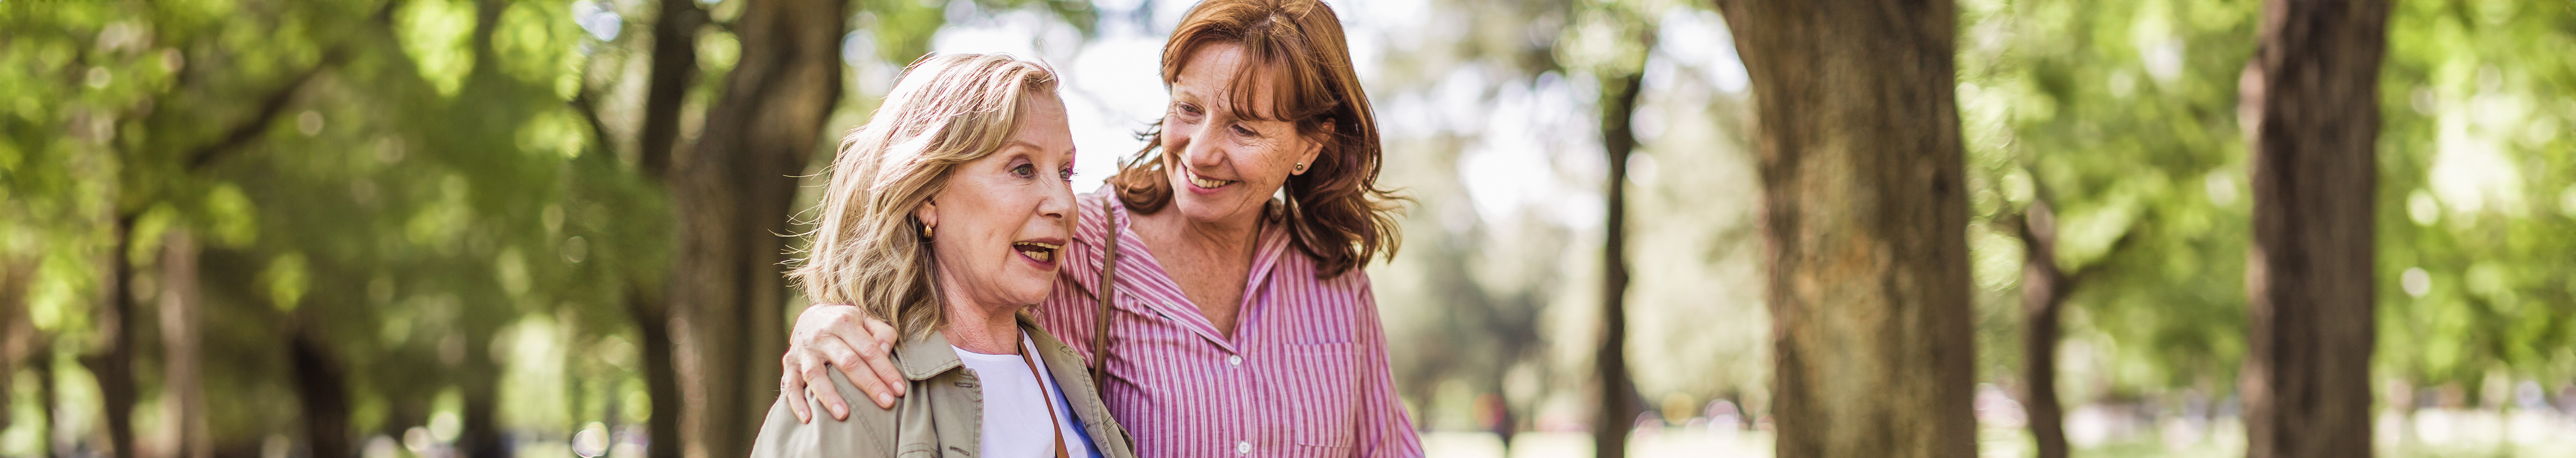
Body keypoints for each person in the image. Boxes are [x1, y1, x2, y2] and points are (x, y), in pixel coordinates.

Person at [777, 0, 1426, 456]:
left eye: (1244, 128)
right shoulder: (1073, 243)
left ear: (1309, 146)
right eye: (1188, 109)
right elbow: (936, 284)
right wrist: (824, 317)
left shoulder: (1333, 283)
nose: (1200, 151)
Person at [750, 53, 1136, 458]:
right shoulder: (852, 385)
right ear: (927, 195)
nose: (1063, 203)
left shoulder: (1068, 375)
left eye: (1065, 172)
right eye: (1022, 168)